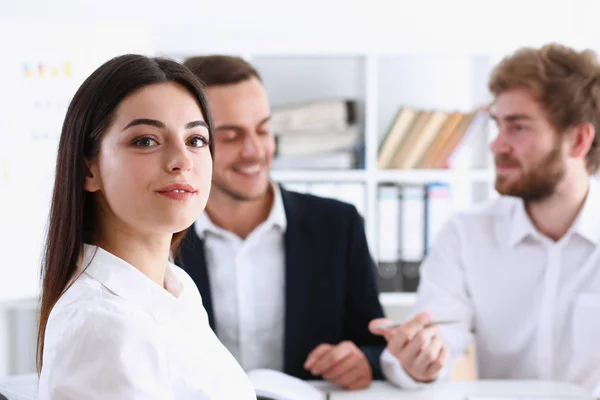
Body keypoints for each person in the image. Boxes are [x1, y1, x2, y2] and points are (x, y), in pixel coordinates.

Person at [369, 42, 600, 397]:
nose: (496, 145)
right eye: (498, 125)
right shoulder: (466, 235)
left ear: (579, 140)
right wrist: (420, 362)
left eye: (518, 128)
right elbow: (434, 341)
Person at [37, 54, 256, 399]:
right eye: (145, 141)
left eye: (195, 140)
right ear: (88, 170)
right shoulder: (103, 325)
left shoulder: (176, 287)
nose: (181, 160)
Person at [179, 55, 386, 389]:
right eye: (230, 136)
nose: (254, 150)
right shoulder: (161, 238)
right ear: (192, 143)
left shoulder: (337, 225)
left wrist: (363, 360)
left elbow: (377, 344)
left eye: (263, 129)